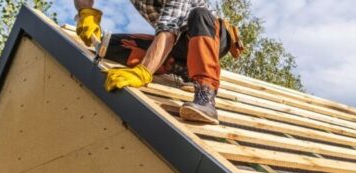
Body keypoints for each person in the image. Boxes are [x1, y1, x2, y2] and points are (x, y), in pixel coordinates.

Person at [73, 0, 243, 124]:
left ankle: (206, 96)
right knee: (109, 45)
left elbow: (169, 30)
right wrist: (85, 12)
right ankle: (179, 67)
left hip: (207, 35)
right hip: (176, 42)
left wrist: (143, 71)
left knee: (199, 14)